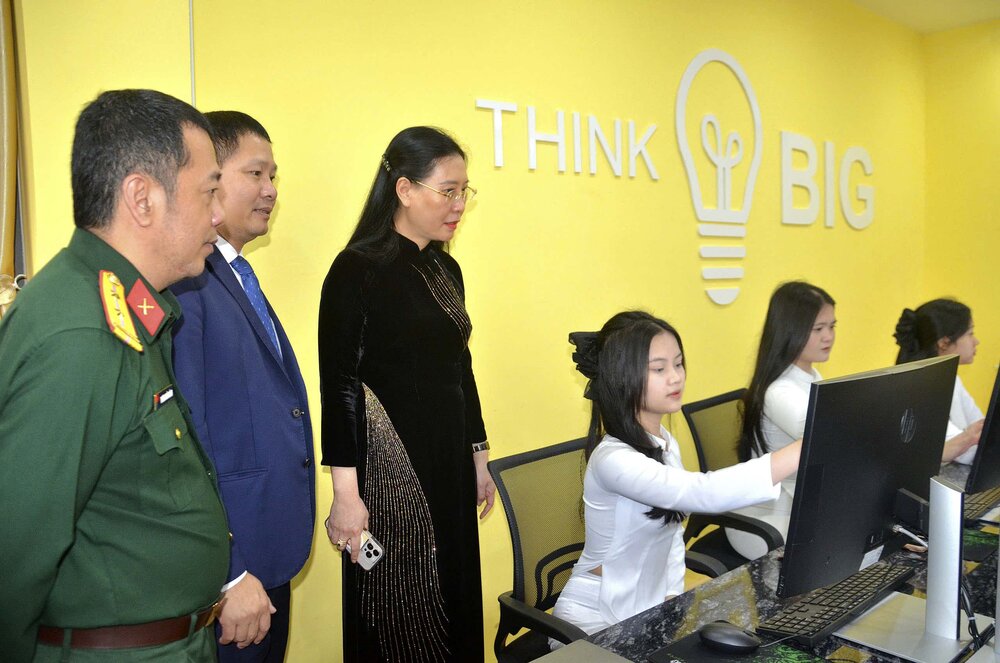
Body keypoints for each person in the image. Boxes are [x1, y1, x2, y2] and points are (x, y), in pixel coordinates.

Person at [0, 89, 230, 661]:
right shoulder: (82, 335)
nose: (218, 214)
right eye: (209, 192)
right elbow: (15, 553)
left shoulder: (127, 309)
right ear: (142, 198)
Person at [318, 126, 494, 662]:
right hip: (392, 479)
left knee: (456, 600)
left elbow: (460, 368)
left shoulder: (446, 268)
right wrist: (346, 496)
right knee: (399, 614)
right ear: (404, 189)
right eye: (448, 190)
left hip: (451, 467)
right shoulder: (357, 269)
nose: (459, 204)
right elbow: (340, 388)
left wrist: (479, 455)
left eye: (466, 190)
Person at [552, 311, 801, 635]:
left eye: (678, 363)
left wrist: (670, 600)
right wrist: (801, 449)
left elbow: (671, 534)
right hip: (592, 617)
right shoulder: (612, 460)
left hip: (646, 611)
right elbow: (701, 492)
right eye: (659, 368)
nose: (675, 377)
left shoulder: (665, 443)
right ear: (623, 377)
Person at [171, 111, 315, 662]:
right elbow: (189, 436)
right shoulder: (189, 281)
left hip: (269, 551)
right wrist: (228, 576)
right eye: (255, 174)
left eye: (274, 176)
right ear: (209, 176)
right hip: (232, 571)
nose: (270, 191)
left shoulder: (233, 273)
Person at [730, 281, 835, 560]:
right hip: (768, 518)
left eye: (832, 327)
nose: (829, 337)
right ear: (791, 330)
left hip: (803, 503)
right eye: (818, 329)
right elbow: (830, 437)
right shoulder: (779, 391)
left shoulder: (812, 377)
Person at [894, 298, 984, 464]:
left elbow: (979, 424)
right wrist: (972, 438)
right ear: (944, 343)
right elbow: (967, 453)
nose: (976, 341)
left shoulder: (953, 379)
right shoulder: (918, 390)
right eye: (970, 333)